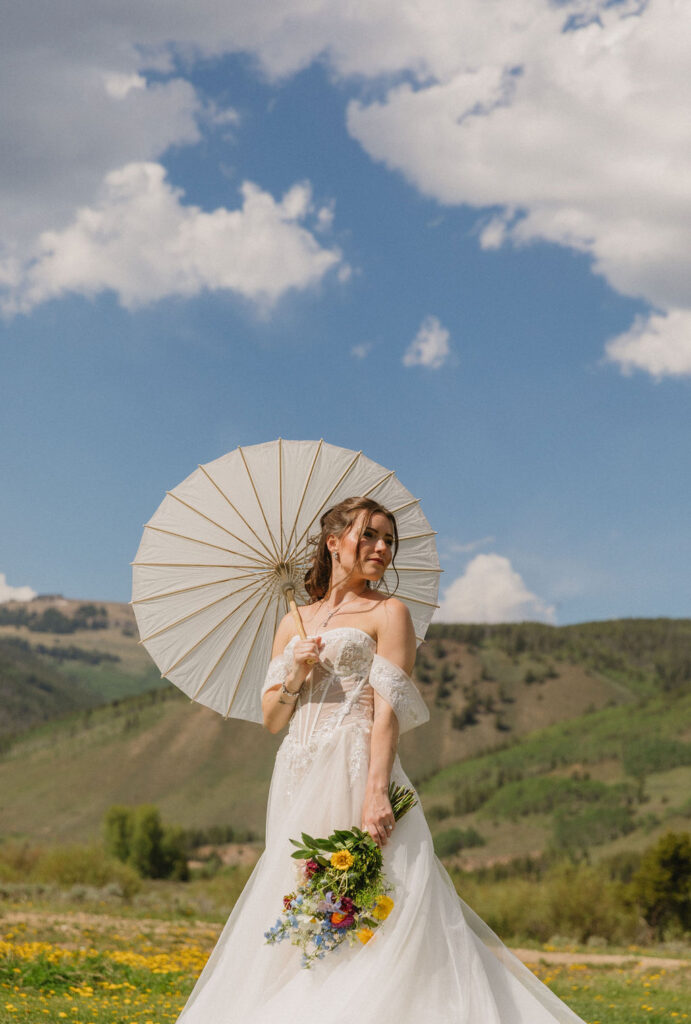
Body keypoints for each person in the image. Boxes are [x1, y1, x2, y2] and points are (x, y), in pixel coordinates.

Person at [177, 497, 586, 1024]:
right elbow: (271, 719)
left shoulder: (390, 613)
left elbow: (386, 713)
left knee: (371, 898)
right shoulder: (292, 623)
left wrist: (376, 791)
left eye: (389, 540)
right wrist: (297, 673)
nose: (381, 548)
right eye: (369, 535)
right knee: (302, 897)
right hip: (298, 770)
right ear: (333, 542)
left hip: (354, 765)